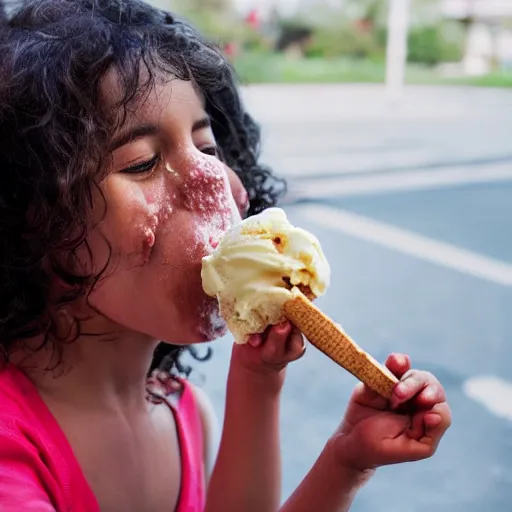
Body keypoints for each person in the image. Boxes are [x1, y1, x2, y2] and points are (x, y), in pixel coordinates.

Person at [0, 1, 452, 511]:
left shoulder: (185, 413)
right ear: (31, 217)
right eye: (143, 162)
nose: (214, 181)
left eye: (208, 148)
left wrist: (344, 460)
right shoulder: (10, 456)